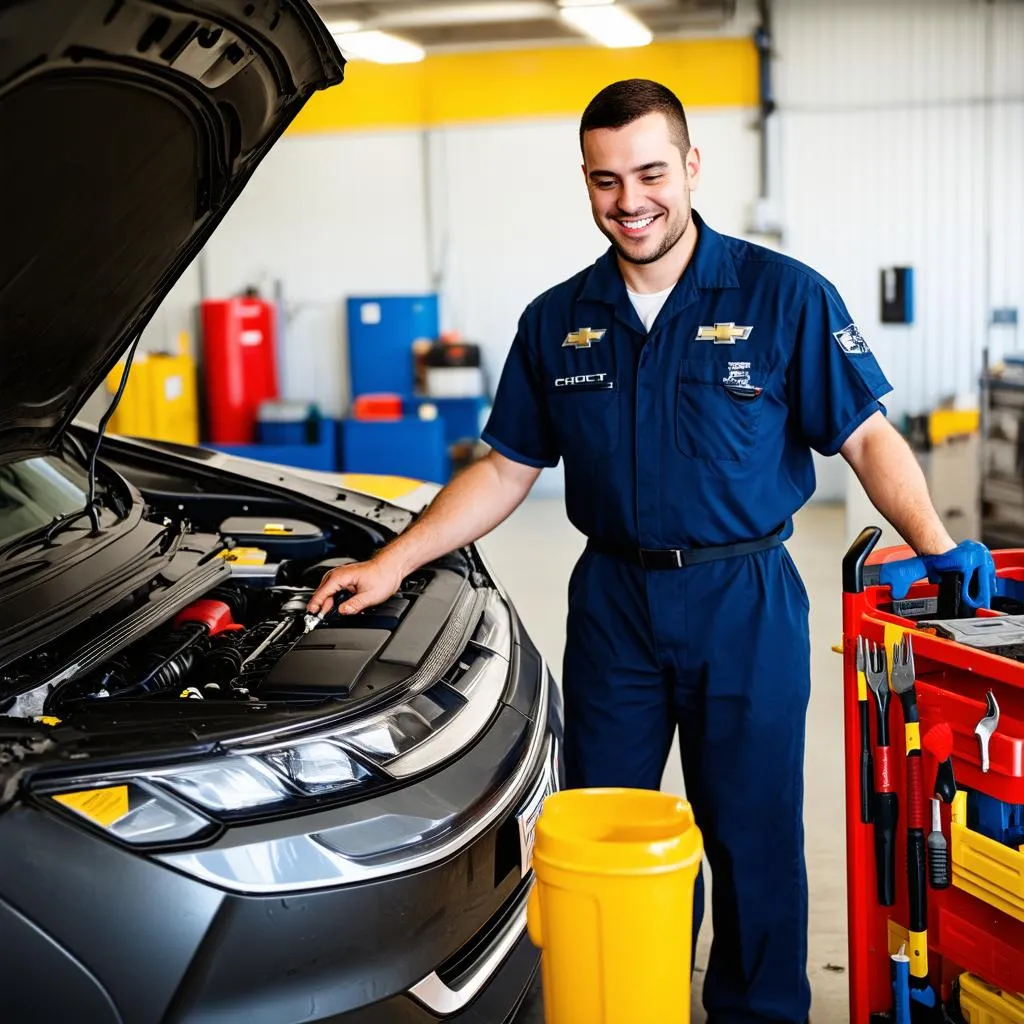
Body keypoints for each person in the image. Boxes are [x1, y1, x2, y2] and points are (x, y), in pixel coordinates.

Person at [309, 79, 989, 1023]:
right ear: (586, 184)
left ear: (692, 166)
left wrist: (936, 543)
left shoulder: (783, 295)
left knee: (752, 836)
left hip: (744, 599)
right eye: (605, 179)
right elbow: (506, 467)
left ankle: (759, 1012)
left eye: (650, 172)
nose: (631, 199)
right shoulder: (558, 319)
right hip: (614, 607)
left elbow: (866, 436)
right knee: (612, 829)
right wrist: (394, 560)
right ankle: (635, 994)